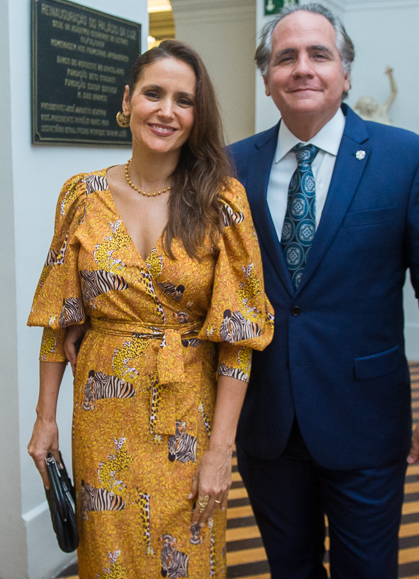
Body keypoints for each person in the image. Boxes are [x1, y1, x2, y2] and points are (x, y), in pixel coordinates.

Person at [228, 3, 419, 578]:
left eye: (319, 54)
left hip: (364, 421)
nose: (302, 68)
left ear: (346, 72)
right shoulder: (233, 165)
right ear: (267, 79)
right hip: (267, 421)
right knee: (291, 569)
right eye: (286, 57)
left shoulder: (405, 159)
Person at [26, 39, 274, 578]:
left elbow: (239, 335)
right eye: (153, 94)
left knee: (186, 556)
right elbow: (58, 315)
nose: (166, 111)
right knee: (109, 557)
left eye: (183, 100)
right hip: (102, 410)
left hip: (187, 407)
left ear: (196, 114)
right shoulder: (81, 196)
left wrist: (219, 451)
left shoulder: (221, 199)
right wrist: (45, 419)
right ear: (128, 100)